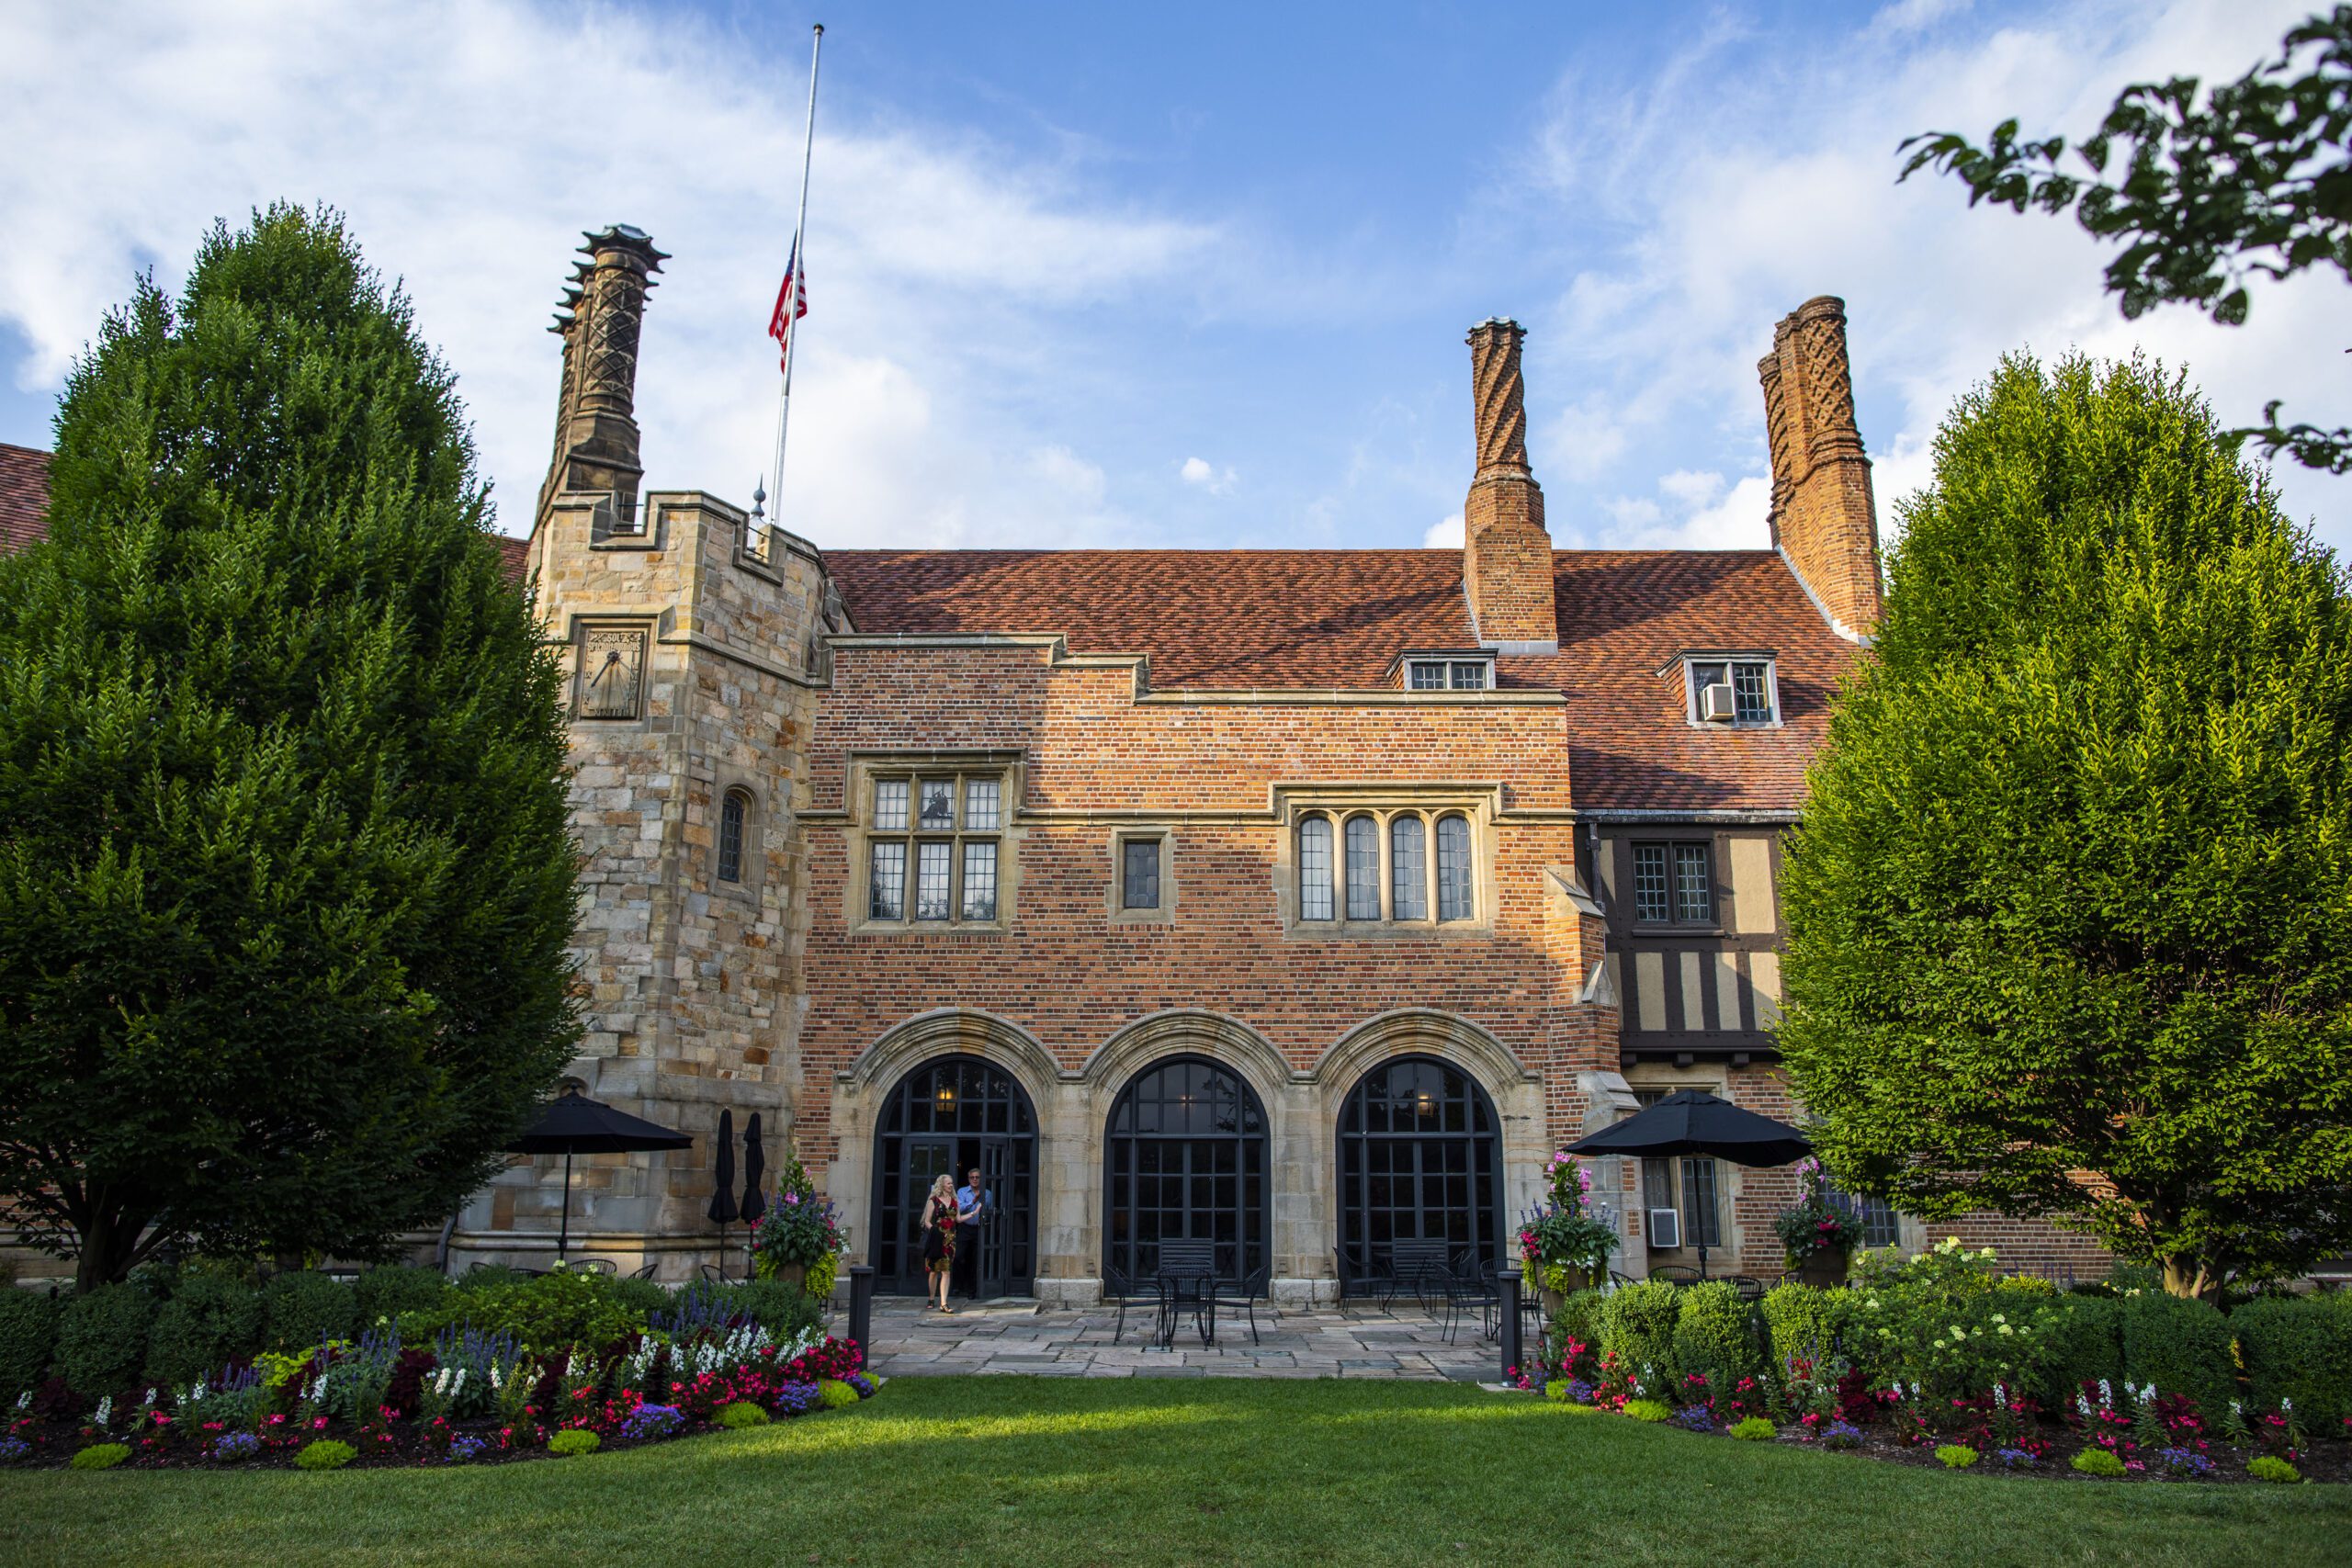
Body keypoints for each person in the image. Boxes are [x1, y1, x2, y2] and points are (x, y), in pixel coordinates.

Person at [919, 1171, 958, 1312]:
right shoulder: (933, 1200)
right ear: (941, 1184)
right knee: (934, 1271)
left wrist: (975, 1213)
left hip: (950, 1241)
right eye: (948, 1183)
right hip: (936, 1240)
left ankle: (943, 1302)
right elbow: (927, 1221)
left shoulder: (954, 1200)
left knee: (946, 1271)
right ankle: (931, 1297)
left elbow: (958, 1219)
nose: (951, 1185)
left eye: (951, 1183)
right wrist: (935, 1232)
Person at [954, 1168, 986, 1298]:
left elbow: (990, 1209)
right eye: (972, 1177)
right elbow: (959, 1209)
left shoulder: (987, 1193)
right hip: (964, 1227)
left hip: (980, 1229)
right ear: (968, 1179)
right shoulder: (962, 1192)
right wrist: (973, 1201)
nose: (974, 1179)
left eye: (977, 1177)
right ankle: (958, 1285)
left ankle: (972, 1290)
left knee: (975, 1260)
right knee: (958, 1257)